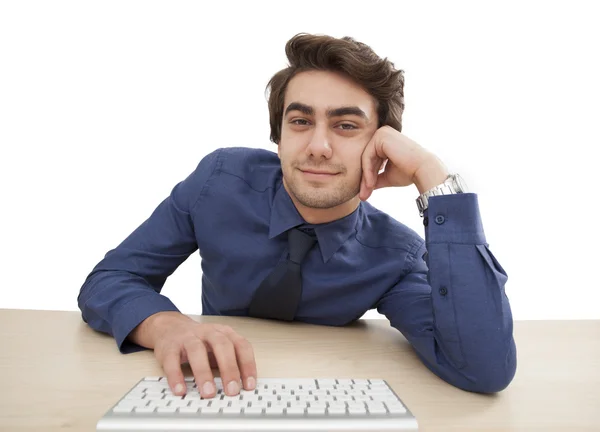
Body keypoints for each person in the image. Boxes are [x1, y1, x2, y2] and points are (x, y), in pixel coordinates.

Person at [78, 33, 517, 400]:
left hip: (326, 400)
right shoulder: (219, 181)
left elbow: (482, 367)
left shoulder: (396, 257)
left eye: (346, 126)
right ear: (280, 135)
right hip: (206, 394)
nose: (318, 147)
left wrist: (432, 176)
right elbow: (110, 278)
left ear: (381, 146)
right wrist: (165, 325)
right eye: (301, 121)